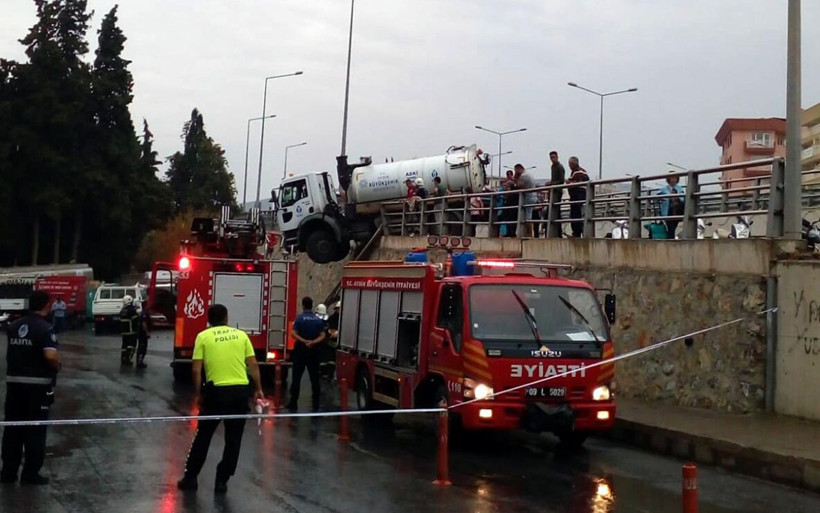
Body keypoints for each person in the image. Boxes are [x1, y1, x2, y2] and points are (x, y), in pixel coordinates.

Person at [178, 304, 264, 494]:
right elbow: (253, 365)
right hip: (240, 393)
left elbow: (196, 369)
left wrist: (199, 394)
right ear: (226, 318)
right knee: (233, 441)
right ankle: (222, 480)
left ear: (209, 320)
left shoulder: (203, 336)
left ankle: (191, 478)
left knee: (203, 437)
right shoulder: (241, 336)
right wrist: (257, 390)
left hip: (215, 394)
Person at [1, 291, 61, 485]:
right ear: (46, 305)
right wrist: (57, 366)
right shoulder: (45, 328)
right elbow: (50, 356)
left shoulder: (14, 325)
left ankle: (8, 472)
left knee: (13, 429)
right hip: (38, 387)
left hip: (15, 384)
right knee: (35, 431)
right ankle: (30, 473)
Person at [287, 297, 326, 413]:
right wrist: (313, 342)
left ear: (303, 305)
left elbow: (293, 334)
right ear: (312, 305)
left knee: (296, 378)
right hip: (314, 352)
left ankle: (293, 402)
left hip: (300, 351)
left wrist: (303, 341)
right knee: (314, 379)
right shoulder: (317, 320)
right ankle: (316, 404)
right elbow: (323, 335)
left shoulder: (299, 319)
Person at [567, 157, 590, 238]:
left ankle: (576, 233)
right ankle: (581, 231)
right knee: (581, 214)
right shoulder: (584, 172)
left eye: (570, 164)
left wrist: (569, 183)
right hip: (584, 196)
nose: (569, 166)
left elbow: (576, 183)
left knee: (575, 214)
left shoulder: (576, 172)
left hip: (576, 196)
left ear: (573, 164)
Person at [658, 173, 685, 239]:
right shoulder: (663, 189)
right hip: (668, 211)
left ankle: (670, 238)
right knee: (671, 226)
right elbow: (658, 197)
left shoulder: (680, 188)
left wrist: (677, 198)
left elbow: (683, 198)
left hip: (677, 211)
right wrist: (666, 197)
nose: (673, 180)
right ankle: (670, 239)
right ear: (668, 179)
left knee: (673, 226)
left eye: (675, 178)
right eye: (672, 178)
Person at [514, 164, 537, 238]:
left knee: (528, 217)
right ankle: (528, 233)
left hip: (528, 197)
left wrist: (515, 179)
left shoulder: (524, 176)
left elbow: (518, 186)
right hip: (533, 195)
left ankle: (529, 234)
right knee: (528, 215)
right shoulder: (529, 174)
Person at [549, 151, 566, 238]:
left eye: (554, 157)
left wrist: (552, 183)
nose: (553, 159)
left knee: (557, 211)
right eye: (551, 157)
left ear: (557, 157)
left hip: (557, 191)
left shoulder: (559, 167)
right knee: (554, 211)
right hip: (554, 191)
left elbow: (562, 180)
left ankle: (558, 233)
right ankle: (555, 232)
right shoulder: (553, 166)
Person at [119, 295, 139, 365]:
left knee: (124, 345)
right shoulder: (132, 310)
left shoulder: (122, 311)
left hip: (124, 332)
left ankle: (123, 358)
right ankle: (127, 358)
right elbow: (136, 320)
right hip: (131, 331)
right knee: (132, 345)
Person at [136, 300, 151, 369]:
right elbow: (144, 323)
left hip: (141, 333)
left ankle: (140, 361)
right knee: (142, 348)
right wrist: (147, 332)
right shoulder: (144, 313)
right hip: (142, 334)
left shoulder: (144, 312)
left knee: (142, 347)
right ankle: (139, 362)